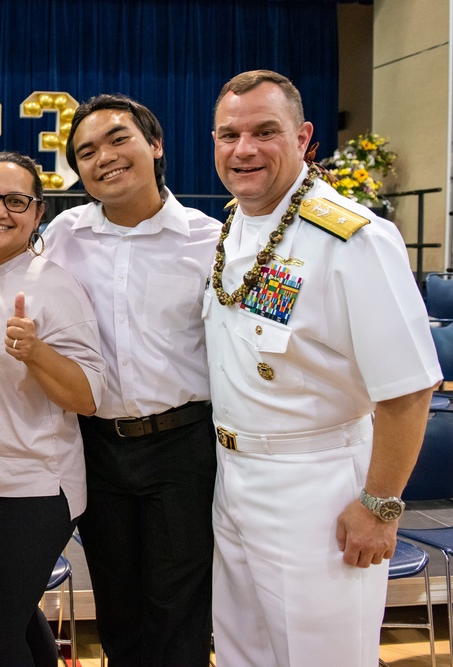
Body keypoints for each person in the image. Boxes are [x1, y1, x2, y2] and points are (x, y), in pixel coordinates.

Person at [206, 70, 442, 666]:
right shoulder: (236, 228)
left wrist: (380, 505)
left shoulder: (353, 240)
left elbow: (410, 389)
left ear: (304, 136)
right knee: (244, 653)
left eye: (265, 132)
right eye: (228, 135)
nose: (244, 150)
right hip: (232, 478)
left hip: (317, 487)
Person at [42, 94, 221, 665]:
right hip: (96, 447)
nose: (104, 157)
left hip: (184, 445)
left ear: (155, 144)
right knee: (116, 606)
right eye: (86, 151)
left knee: (178, 607)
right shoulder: (62, 235)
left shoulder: (211, 240)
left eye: (119, 139)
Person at [0, 151, 106, 665]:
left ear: (37, 214)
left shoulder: (53, 285)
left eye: (16, 201)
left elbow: (89, 397)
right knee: (15, 619)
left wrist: (37, 352)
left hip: (33, 486)